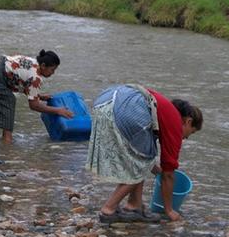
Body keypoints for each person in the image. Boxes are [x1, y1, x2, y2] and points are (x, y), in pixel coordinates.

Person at [85, 84, 203, 223]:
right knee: (141, 164)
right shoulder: (175, 122)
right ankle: (108, 209)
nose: (186, 138)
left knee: (140, 161)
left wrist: (155, 168)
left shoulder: (160, 110)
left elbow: (144, 155)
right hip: (125, 110)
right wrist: (169, 210)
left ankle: (134, 206)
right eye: (192, 132)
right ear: (188, 121)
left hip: (105, 102)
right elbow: (169, 174)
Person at [0, 50, 73, 144]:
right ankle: (7, 140)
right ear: (43, 66)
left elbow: (19, 80)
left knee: (8, 98)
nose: (53, 73)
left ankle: (6, 136)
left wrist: (38, 96)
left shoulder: (33, 63)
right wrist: (58, 110)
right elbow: (34, 106)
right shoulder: (36, 78)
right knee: (9, 99)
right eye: (52, 70)